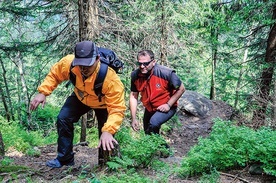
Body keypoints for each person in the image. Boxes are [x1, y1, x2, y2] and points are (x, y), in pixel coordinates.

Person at [30, 41, 126, 168]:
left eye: (87, 65)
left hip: (102, 103)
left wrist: (108, 130)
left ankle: (107, 164)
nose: (83, 69)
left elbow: (117, 108)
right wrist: (43, 92)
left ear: (97, 59)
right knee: (63, 118)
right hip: (81, 97)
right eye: (80, 65)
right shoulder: (69, 63)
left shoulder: (111, 79)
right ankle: (65, 159)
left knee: (106, 136)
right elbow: (55, 74)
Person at [129, 50, 185, 136]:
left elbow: (181, 88)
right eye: (139, 63)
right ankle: (156, 149)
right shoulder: (135, 75)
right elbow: (134, 96)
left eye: (146, 63)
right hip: (149, 108)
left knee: (153, 124)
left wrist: (168, 105)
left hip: (167, 106)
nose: (142, 66)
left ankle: (165, 149)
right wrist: (133, 118)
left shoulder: (165, 73)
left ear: (153, 62)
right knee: (147, 133)